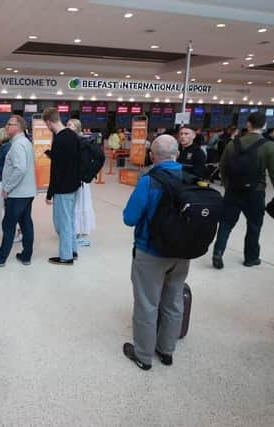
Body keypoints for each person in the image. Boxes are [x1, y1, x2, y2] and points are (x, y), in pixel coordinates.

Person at [122, 134, 190, 371]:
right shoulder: (190, 178)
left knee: (147, 303)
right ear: (177, 155)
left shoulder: (148, 181)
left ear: (152, 156)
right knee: (173, 301)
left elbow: (129, 218)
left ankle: (143, 355)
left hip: (150, 251)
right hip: (183, 252)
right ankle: (166, 350)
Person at [212, 112, 274, 269]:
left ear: (248, 124)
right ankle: (251, 258)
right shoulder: (270, 146)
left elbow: (222, 168)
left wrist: (228, 186)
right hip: (255, 192)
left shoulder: (232, 144)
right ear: (264, 126)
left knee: (225, 224)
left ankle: (218, 252)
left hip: (233, 191)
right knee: (254, 226)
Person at [0, 115, 36, 267]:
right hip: (27, 191)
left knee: (8, 224)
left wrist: (7, 187)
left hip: (18, 193)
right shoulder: (25, 142)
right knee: (26, 223)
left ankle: (0, 258)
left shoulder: (18, 145)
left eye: (9, 124)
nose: (6, 126)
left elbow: (20, 169)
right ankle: (26, 255)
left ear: (18, 127)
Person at [42, 108, 81, 265]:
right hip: (74, 185)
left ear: (49, 122)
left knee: (62, 223)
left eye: (47, 125)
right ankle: (72, 249)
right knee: (70, 220)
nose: (47, 128)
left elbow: (56, 170)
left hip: (63, 188)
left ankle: (66, 257)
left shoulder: (59, 139)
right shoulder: (73, 136)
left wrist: (50, 193)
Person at [67, 119, 96, 247]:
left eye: (70, 125)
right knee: (72, 205)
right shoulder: (69, 141)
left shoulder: (83, 142)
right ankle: (72, 231)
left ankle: (77, 232)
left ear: (77, 127)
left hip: (80, 180)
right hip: (72, 178)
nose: (67, 126)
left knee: (79, 204)